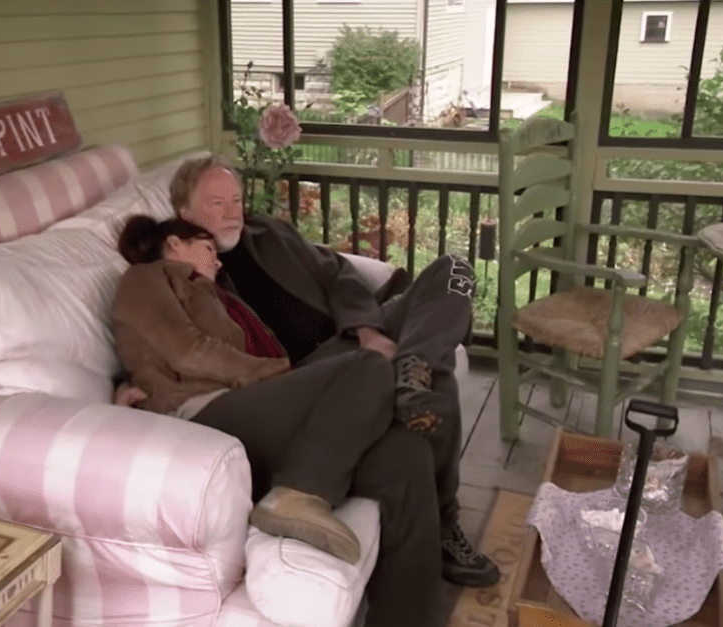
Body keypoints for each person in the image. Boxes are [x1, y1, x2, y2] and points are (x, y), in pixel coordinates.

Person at [172, 154, 501, 588]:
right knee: (437, 379)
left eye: (236, 198)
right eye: (217, 203)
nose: (233, 211)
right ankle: (444, 522)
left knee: (453, 269)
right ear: (183, 213)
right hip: (316, 378)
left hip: (356, 335)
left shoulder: (267, 230)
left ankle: (411, 369)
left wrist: (366, 329)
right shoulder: (187, 272)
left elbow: (338, 272)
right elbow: (171, 347)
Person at [111, 216, 447, 626]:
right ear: (176, 243)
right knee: (368, 369)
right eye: (208, 249)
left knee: (407, 455)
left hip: (250, 412)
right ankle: (300, 492)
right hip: (203, 417)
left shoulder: (211, 293)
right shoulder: (146, 279)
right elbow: (186, 352)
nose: (217, 260)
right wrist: (277, 374)